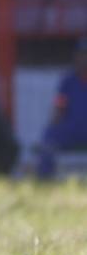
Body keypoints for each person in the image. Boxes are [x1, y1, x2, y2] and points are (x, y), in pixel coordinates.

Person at [35, 38, 87, 178]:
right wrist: (54, 122)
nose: (83, 58)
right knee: (49, 135)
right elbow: (59, 106)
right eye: (80, 54)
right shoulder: (67, 82)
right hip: (72, 128)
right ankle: (45, 179)